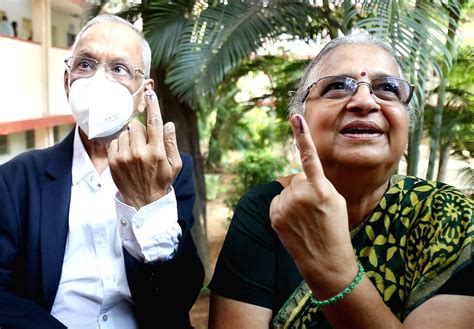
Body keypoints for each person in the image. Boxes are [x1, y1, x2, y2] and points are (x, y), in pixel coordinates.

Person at [208, 33, 473, 328]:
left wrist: (332, 272)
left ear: (407, 121)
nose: (364, 101)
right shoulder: (266, 210)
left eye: (387, 88)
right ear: (299, 119)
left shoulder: (448, 216)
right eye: (337, 86)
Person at [0, 15, 204, 328]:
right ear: (67, 82)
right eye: (85, 64)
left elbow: (176, 299)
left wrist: (151, 206)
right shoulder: (16, 179)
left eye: (118, 69)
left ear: (143, 92)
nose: (99, 80)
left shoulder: (171, 170)